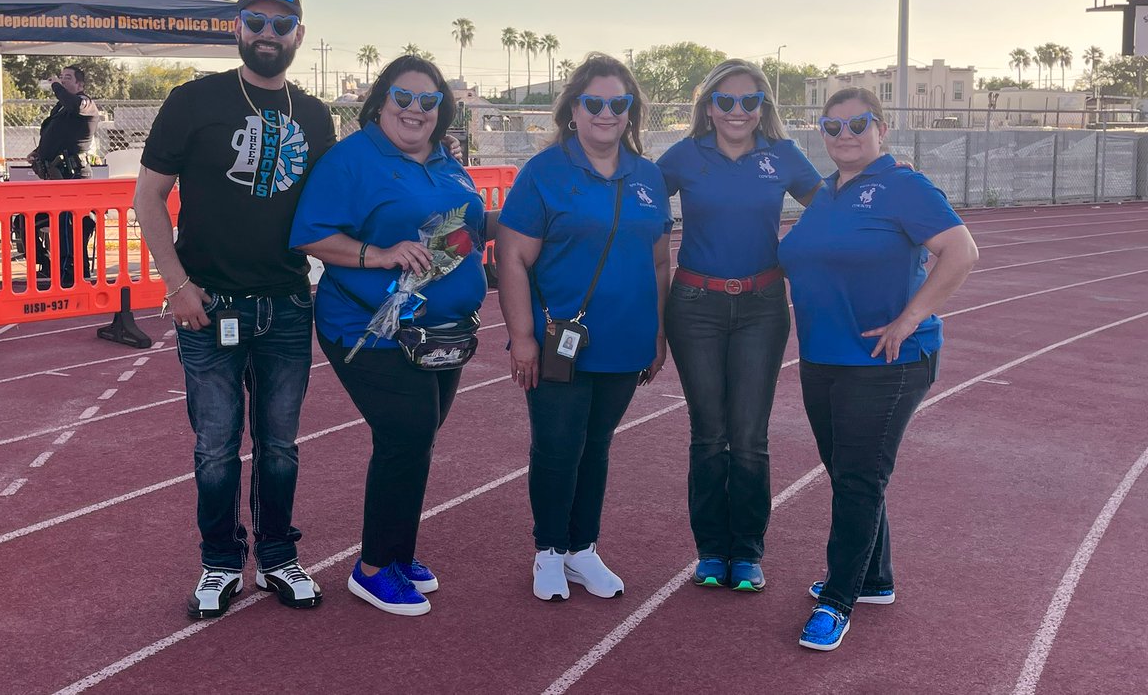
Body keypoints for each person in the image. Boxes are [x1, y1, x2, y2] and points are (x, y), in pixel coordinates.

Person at [135, 0, 337, 620]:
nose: (268, 34)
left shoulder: (315, 114)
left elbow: (332, 208)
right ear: (237, 28)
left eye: (282, 24)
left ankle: (277, 555)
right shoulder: (193, 101)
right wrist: (177, 286)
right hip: (208, 306)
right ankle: (220, 563)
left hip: (286, 304)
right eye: (257, 21)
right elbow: (147, 200)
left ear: (299, 35)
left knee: (280, 446)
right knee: (216, 447)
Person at [290, 55, 493, 617]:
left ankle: (399, 554)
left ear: (441, 111)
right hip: (367, 328)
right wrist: (376, 254)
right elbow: (309, 235)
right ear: (380, 102)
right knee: (407, 432)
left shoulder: (448, 160)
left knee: (418, 438)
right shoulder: (351, 158)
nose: (414, 110)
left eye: (428, 102)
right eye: (403, 98)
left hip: (440, 331)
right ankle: (374, 567)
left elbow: (467, 227)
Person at [777, 87, 978, 651]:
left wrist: (911, 318)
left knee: (859, 480)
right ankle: (873, 580)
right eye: (833, 127)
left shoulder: (905, 186)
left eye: (858, 123)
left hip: (885, 362)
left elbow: (962, 252)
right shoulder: (827, 194)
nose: (846, 135)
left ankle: (837, 601)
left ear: (881, 128)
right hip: (823, 356)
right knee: (848, 473)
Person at [497, 53, 672, 603]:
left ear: (630, 113)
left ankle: (582, 549)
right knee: (556, 446)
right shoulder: (545, 172)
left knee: (596, 446)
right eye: (594, 102)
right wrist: (522, 337)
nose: (606, 112)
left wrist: (659, 335)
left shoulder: (648, 175)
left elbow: (659, 261)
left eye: (618, 104)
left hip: (626, 341)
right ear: (574, 109)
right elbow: (512, 257)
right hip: (559, 346)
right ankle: (549, 550)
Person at [656, 59, 823, 593]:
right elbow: (632, 200)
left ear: (763, 108)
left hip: (762, 307)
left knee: (749, 437)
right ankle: (711, 550)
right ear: (708, 107)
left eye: (749, 102)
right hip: (695, 306)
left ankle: (747, 551)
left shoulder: (784, 156)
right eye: (725, 101)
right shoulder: (684, 156)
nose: (737, 111)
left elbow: (831, 210)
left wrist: (891, 187)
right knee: (709, 435)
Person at [27, 65, 100, 285]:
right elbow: (56, 134)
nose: (62, 80)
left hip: (74, 176)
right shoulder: (60, 108)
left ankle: (70, 276)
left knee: (69, 227)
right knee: (27, 220)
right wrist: (39, 153)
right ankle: (51, 266)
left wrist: (57, 87)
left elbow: (75, 105)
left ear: (80, 84)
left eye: (68, 78)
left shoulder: (85, 103)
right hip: (56, 177)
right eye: (61, 77)